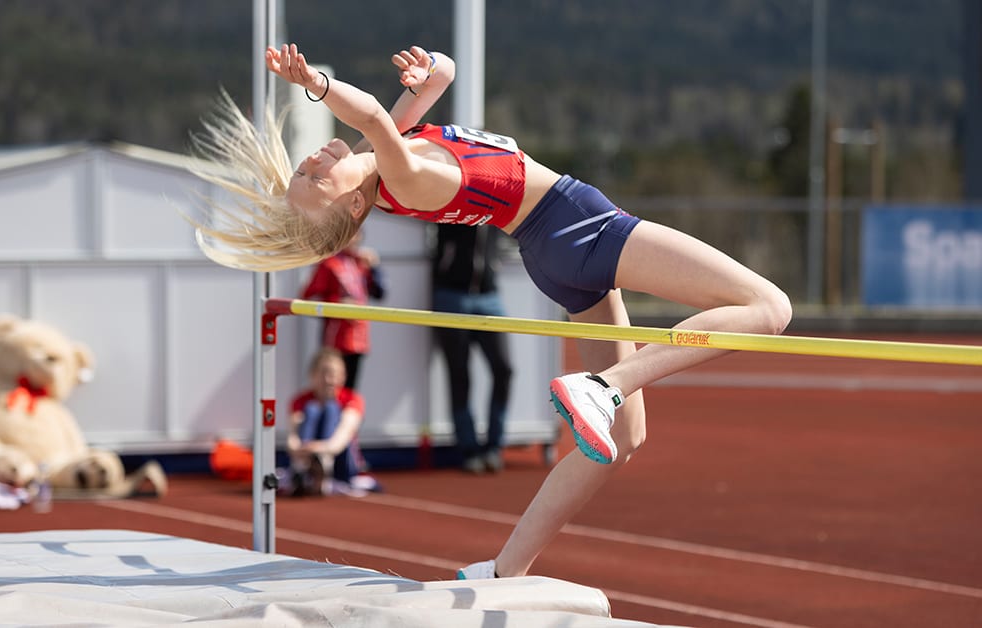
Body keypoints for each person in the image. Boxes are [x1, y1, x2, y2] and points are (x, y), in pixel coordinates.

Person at [190, 43, 792, 579]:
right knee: (769, 307)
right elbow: (371, 114)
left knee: (625, 437)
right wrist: (316, 85)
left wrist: (427, 69)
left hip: (551, 248)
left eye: (303, 168)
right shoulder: (401, 170)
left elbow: (438, 80)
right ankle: (604, 387)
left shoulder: (389, 157)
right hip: (575, 225)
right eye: (314, 179)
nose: (313, 161)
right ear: (351, 205)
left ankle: (505, 569)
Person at [431, 224, 513, 474]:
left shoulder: (497, 207)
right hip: (452, 296)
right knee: (460, 373)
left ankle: (493, 446)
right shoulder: (453, 205)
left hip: (489, 295)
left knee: (504, 369)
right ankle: (468, 449)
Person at [285, 347, 379, 497]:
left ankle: (323, 467)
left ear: (343, 376)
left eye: (335, 374)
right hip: (307, 453)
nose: (330, 380)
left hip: (339, 459)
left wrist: (319, 449)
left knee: (331, 408)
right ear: (312, 375)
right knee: (312, 409)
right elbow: (292, 434)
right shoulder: (301, 401)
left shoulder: (352, 399)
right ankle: (303, 470)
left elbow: (341, 438)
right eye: (324, 373)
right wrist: (299, 449)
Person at [300, 228, 385, 391]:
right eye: (349, 233)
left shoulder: (361, 263)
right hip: (336, 340)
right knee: (331, 390)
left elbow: (380, 292)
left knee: (350, 392)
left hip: (359, 338)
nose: (354, 238)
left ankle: (349, 416)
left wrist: (375, 268)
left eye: (357, 233)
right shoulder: (329, 263)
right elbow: (308, 299)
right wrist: (339, 304)